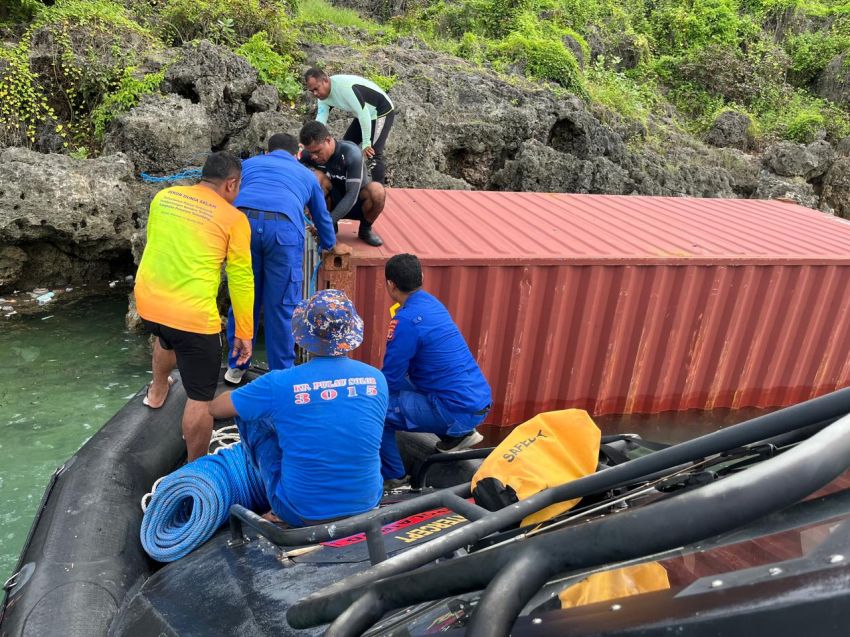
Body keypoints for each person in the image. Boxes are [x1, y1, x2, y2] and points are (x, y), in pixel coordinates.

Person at [209, 289, 388, 526]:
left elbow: (217, 409)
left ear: (301, 334)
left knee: (252, 416)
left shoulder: (279, 383)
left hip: (299, 511)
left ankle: (278, 510)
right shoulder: (376, 379)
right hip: (368, 502)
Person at [134, 151, 253, 462]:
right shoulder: (234, 220)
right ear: (231, 184)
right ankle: (194, 471)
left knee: (165, 338)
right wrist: (244, 331)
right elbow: (241, 279)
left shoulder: (164, 197)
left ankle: (157, 392)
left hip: (148, 303)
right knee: (200, 399)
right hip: (191, 316)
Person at [223, 133, 352, 385]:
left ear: (267, 152)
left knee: (243, 298)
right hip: (283, 232)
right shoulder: (305, 174)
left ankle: (236, 367)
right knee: (281, 306)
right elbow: (321, 216)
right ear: (297, 154)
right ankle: (281, 375)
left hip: (243, 225)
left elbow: (227, 194)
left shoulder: (247, 165)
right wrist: (329, 245)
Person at [380, 253, 492, 483]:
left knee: (378, 413)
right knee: (402, 385)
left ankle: (395, 478)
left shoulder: (406, 321)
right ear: (421, 277)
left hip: (453, 409)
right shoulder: (432, 303)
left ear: (391, 285)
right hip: (477, 399)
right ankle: (457, 435)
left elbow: (390, 377)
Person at [299, 121, 386, 247]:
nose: (314, 157)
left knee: (377, 190)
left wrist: (326, 223)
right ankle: (332, 229)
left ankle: (365, 230)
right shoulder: (309, 154)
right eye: (310, 152)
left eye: (317, 152)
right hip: (330, 203)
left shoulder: (351, 153)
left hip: (356, 202)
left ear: (328, 140)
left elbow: (352, 195)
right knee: (315, 177)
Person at [304, 67, 395, 185]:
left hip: (381, 111)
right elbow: (320, 121)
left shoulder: (345, 88)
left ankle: (379, 192)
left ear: (325, 80)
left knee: (373, 153)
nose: (315, 93)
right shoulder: (322, 97)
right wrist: (311, 141)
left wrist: (366, 143)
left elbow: (364, 114)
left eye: (316, 89)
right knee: (343, 149)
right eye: (312, 91)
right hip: (362, 114)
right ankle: (342, 185)